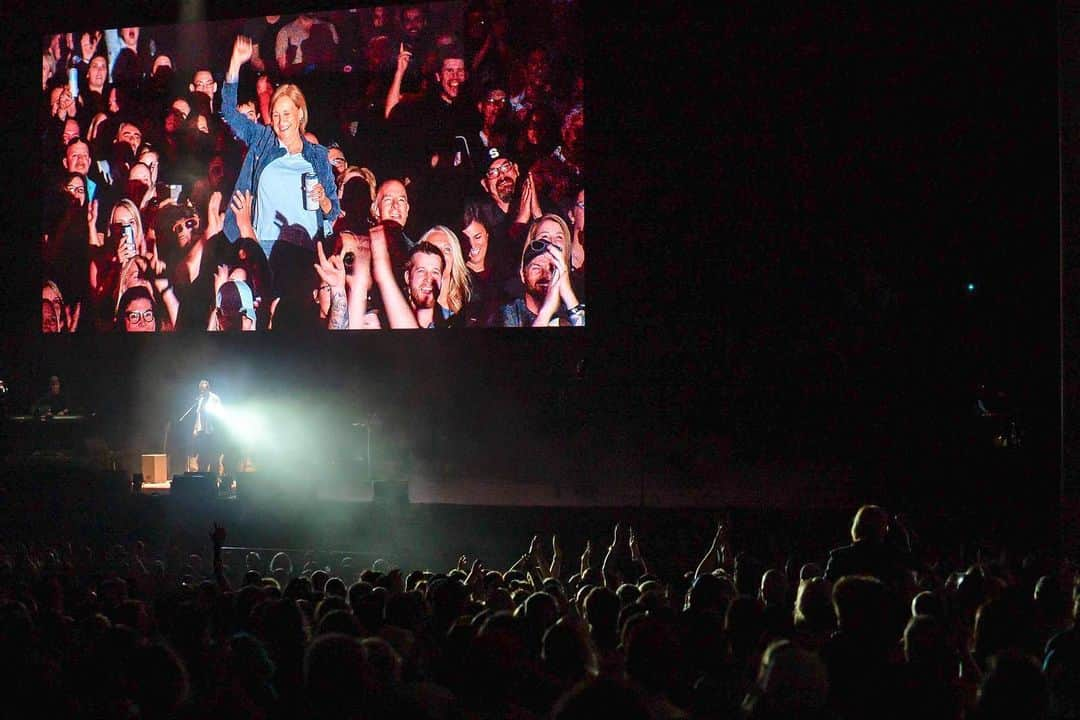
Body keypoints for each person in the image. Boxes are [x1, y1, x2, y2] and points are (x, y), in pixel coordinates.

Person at [220, 35, 340, 263]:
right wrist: (235, 62)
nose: (280, 120)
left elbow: (332, 211)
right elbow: (228, 111)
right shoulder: (264, 140)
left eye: (286, 114)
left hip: (305, 250)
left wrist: (323, 198)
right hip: (264, 246)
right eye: (275, 114)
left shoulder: (318, 155)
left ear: (300, 114)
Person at [493, 214, 584, 327]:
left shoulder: (578, 295)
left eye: (559, 237)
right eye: (544, 237)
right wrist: (547, 310)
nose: (552, 243)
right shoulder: (507, 313)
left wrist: (568, 295)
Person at [187, 378, 222, 474]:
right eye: (200, 389)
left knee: (213, 457)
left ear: (208, 388)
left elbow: (219, 414)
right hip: (201, 432)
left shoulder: (215, 399)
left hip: (212, 432)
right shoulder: (200, 400)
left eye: (203, 389)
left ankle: (214, 478)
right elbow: (198, 415)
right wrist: (195, 429)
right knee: (202, 456)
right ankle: (203, 476)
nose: (202, 391)